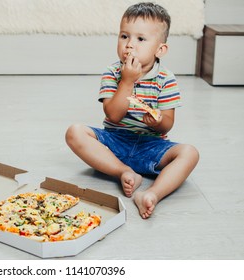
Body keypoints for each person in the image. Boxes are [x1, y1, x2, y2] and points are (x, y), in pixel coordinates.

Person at [65, 2, 199, 219]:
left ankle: (151, 194)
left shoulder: (166, 79)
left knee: (190, 153)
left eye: (140, 39)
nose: (129, 45)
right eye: (124, 36)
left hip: (151, 145)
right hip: (114, 141)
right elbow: (113, 115)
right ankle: (123, 172)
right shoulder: (113, 72)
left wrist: (157, 122)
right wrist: (126, 81)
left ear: (160, 49)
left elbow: (168, 123)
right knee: (74, 132)